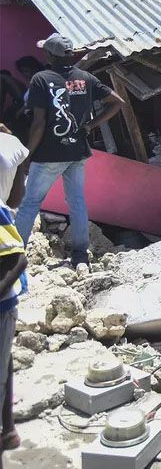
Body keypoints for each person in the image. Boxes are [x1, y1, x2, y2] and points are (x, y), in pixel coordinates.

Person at [13, 34, 124, 269]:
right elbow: (117, 102)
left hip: (49, 154)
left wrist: (27, 155)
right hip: (77, 151)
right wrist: (91, 126)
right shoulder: (85, 78)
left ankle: (14, 257)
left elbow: (39, 122)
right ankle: (80, 254)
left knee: (30, 202)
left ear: (50, 55)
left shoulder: (41, 79)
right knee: (77, 202)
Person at [0, 123, 29, 462]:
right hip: (6, 296)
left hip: (4, 293)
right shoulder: (11, 143)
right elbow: (18, 198)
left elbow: (17, 258)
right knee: (3, 358)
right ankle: (7, 429)